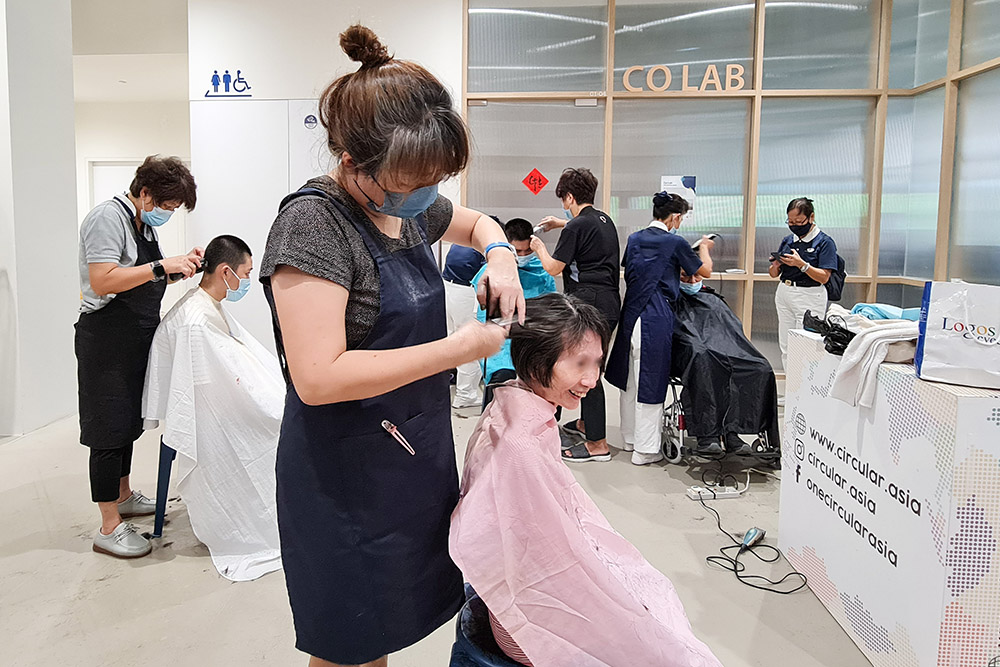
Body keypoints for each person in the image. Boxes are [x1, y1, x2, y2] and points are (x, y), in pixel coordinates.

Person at [259, 25, 523, 667]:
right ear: (354, 161)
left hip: (410, 455)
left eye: (436, 178)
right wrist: (460, 349)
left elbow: (474, 222)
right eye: (413, 180)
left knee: (388, 630)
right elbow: (318, 377)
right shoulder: (313, 226)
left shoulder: (405, 205)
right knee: (350, 644)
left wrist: (500, 255)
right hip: (346, 477)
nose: (427, 193)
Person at [450, 293, 723, 667]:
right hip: (525, 631)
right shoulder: (520, 447)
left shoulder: (514, 409)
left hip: (523, 597)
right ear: (537, 360)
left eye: (597, 363)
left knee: (643, 589)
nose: (592, 379)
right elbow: (544, 562)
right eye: (579, 363)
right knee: (658, 641)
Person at [75, 155, 200, 559]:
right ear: (144, 192)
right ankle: (109, 525)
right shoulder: (107, 218)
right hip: (107, 339)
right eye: (167, 205)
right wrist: (161, 265)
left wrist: (180, 268)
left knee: (128, 423)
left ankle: (124, 496)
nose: (168, 213)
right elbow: (103, 279)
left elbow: (141, 276)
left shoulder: (143, 224)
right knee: (107, 429)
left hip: (135, 336)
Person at [142, 235, 284, 581]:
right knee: (280, 423)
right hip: (208, 409)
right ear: (225, 272)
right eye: (245, 274)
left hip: (217, 396)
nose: (247, 281)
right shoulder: (195, 321)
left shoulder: (205, 305)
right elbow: (209, 384)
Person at [605, 192, 714, 463]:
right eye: (681, 218)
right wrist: (704, 248)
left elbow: (639, 270)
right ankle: (645, 451)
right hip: (654, 316)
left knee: (630, 381)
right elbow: (705, 272)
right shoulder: (675, 242)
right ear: (675, 217)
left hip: (631, 315)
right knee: (650, 381)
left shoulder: (634, 239)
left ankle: (630, 439)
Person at [531, 167, 621, 463]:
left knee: (586, 371)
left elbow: (553, 268)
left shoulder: (575, 227)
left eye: (563, 200)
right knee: (590, 364)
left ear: (569, 197)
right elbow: (583, 228)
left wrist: (539, 247)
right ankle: (585, 423)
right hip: (609, 302)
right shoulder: (604, 221)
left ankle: (598, 445)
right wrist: (560, 223)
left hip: (588, 304)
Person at [672, 271, 780, 456]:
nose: (692, 281)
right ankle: (708, 435)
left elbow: (733, 332)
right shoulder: (673, 300)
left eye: (696, 276)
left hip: (723, 348)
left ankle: (732, 432)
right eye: (685, 277)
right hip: (695, 352)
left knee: (760, 368)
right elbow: (682, 336)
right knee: (705, 362)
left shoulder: (713, 299)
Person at [471, 217, 556, 408]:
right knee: (499, 392)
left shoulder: (542, 272)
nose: (523, 255)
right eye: (518, 251)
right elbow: (485, 316)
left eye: (528, 251)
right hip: (501, 346)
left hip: (531, 344)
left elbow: (550, 311)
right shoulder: (491, 272)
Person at [768, 197, 838, 393]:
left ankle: (806, 394)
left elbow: (824, 277)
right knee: (786, 346)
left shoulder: (824, 242)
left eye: (799, 222)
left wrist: (802, 265)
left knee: (806, 347)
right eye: (790, 222)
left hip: (810, 296)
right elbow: (773, 274)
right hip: (785, 293)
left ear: (811, 217)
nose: (794, 226)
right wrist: (776, 265)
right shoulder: (788, 240)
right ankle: (792, 392)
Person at [442, 241, 486, 408]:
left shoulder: (460, 242)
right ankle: (465, 395)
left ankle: (445, 387)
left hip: (447, 288)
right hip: (466, 293)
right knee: (471, 345)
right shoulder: (485, 246)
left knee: (450, 341)